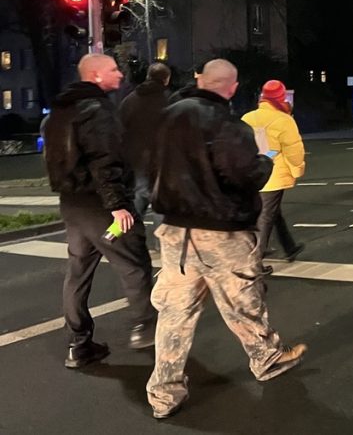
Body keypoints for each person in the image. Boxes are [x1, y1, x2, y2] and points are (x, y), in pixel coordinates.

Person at [146, 60, 306, 419]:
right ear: (232, 88)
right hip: (221, 231)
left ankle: (163, 393)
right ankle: (267, 358)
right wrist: (264, 160)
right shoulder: (225, 123)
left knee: (176, 313)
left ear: (199, 79)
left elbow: (147, 166)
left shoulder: (167, 117)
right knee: (242, 302)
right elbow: (245, 174)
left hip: (175, 230)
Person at [42, 53, 157, 368]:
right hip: (102, 207)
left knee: (78, 272)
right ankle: (145, 327)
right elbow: (104, 160)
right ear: (95, 75)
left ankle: (78, 344)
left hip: (73, 205)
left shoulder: (59, 113)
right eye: (113, 69)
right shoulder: (97, 111)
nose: (120, 74)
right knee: (133, 262)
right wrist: (118, 205)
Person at [242, 80, 307, 263]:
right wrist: (297, 170)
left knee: (270, 211)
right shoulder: (284, 120)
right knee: (267, 215)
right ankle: (255, 258)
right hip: (273, 174)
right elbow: (294, 150)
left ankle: (289, 247)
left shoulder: (247, 118)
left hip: (251, 172)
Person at [118, 62, 171, 221]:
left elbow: (119, 129)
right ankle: (161, 243)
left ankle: (122, 236)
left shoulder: (130, 100)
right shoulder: (169, 100)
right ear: (166, 79)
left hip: (135, 160)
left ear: (148, 76)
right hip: (162, 160)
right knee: (161, 203)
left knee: (137, 200)